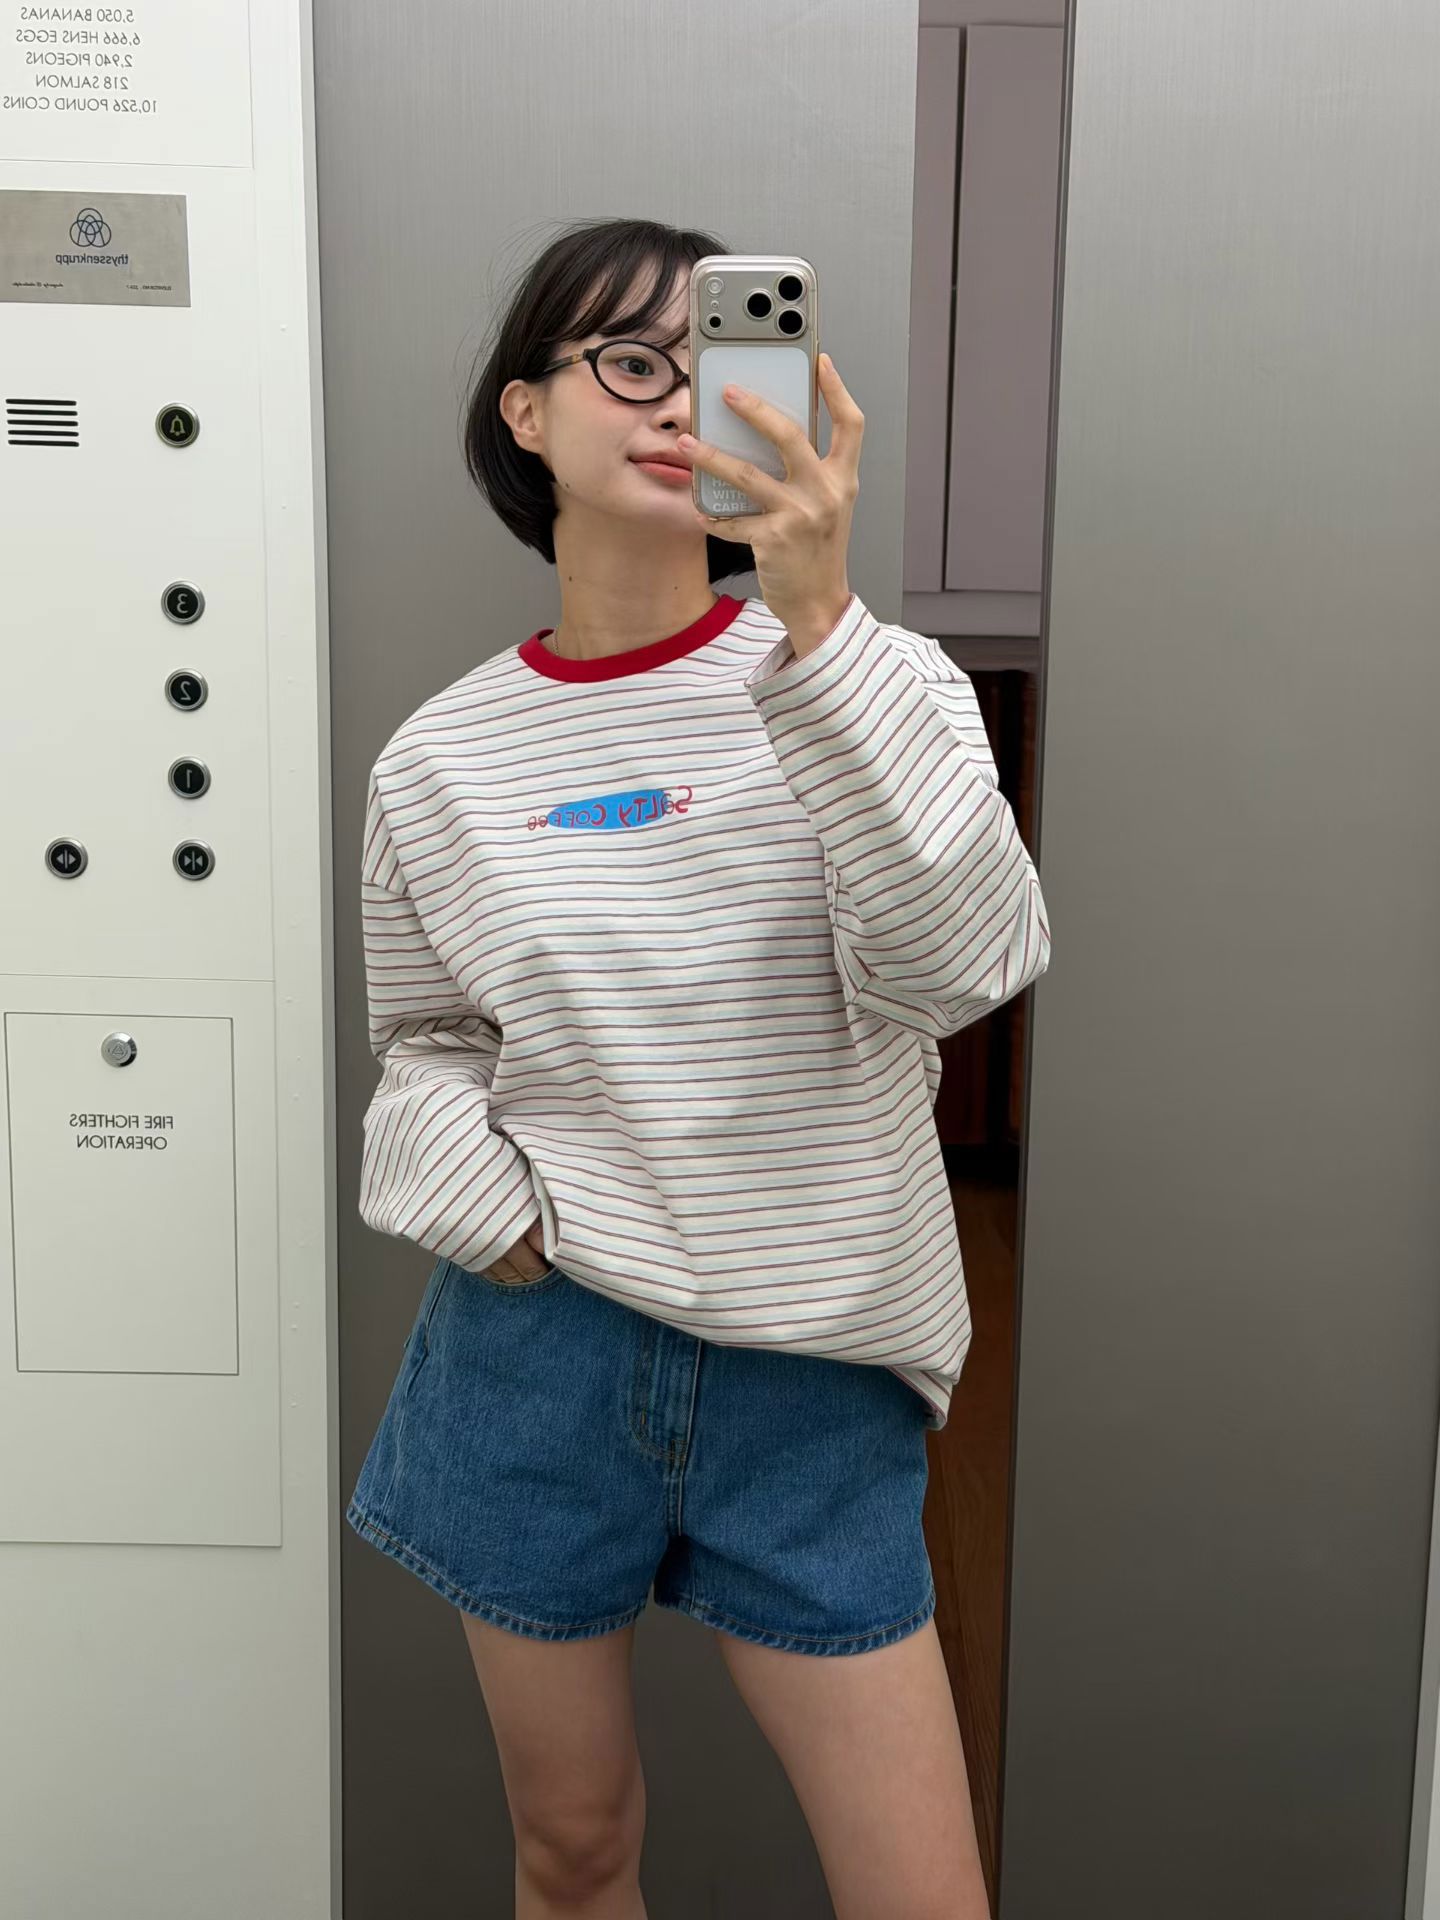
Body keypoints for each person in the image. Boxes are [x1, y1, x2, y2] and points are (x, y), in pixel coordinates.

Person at [346, 215, 1050, 1920]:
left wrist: (819, 622)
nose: (677, 402)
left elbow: (963, 969)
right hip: (540, 1356)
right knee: (572, 1850)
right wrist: (485, 1203)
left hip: (811, 1368)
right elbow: (426, 1037)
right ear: (527, 414)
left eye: (720, 362)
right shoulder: (440, 757)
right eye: (629, 360)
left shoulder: (877, 684)